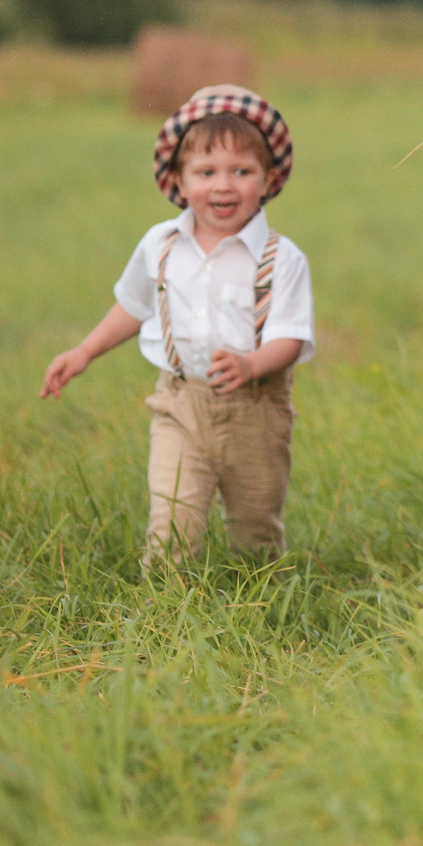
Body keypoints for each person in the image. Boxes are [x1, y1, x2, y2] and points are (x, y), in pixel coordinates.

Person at [40, 86, 314, 566]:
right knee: (171, 524)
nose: (223, 186)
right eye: (206, 172)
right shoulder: (160, 245)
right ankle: (163, 614)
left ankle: (261, 605)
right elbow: (132, 306)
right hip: (179, 404)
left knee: (255, 530)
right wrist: (83, 352)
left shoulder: (282, 258)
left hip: (256, 411)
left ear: (268, 180)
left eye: (241, 172)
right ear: (180, 182)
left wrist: (252, 364)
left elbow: (290, 337)